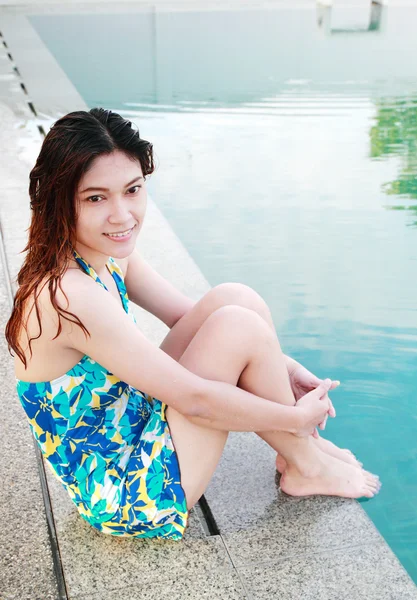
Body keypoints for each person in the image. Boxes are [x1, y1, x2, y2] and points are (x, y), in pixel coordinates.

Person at [5, 108, 380, 541]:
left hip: (135, 425)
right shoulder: (67, 295)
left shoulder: (98, 254)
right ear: (57, 199)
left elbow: (189, 316)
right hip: (128, 493)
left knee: (236, 299)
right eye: (96, 198)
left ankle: (301, 453)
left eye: (132, 190)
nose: (123, 215)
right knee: (236, 326)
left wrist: (283, 365)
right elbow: (196, 399)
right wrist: (293, 417)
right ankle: (305, 462)